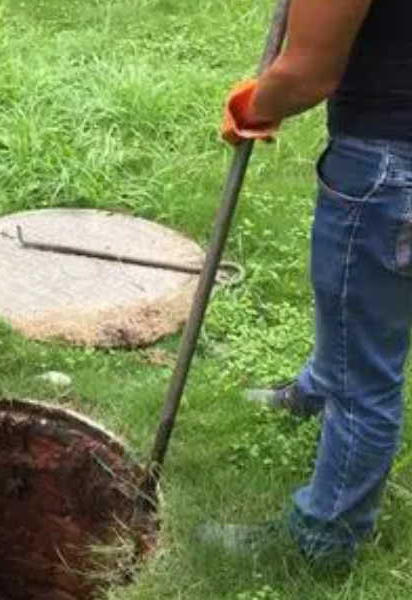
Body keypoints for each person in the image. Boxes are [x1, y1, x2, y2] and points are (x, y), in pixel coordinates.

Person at [206, 0, 412, 565]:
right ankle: (318, 387)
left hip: (390, 168)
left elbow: (307, 73)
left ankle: (325, 536)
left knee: (365, 375)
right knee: (357, 301)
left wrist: (253, 105)